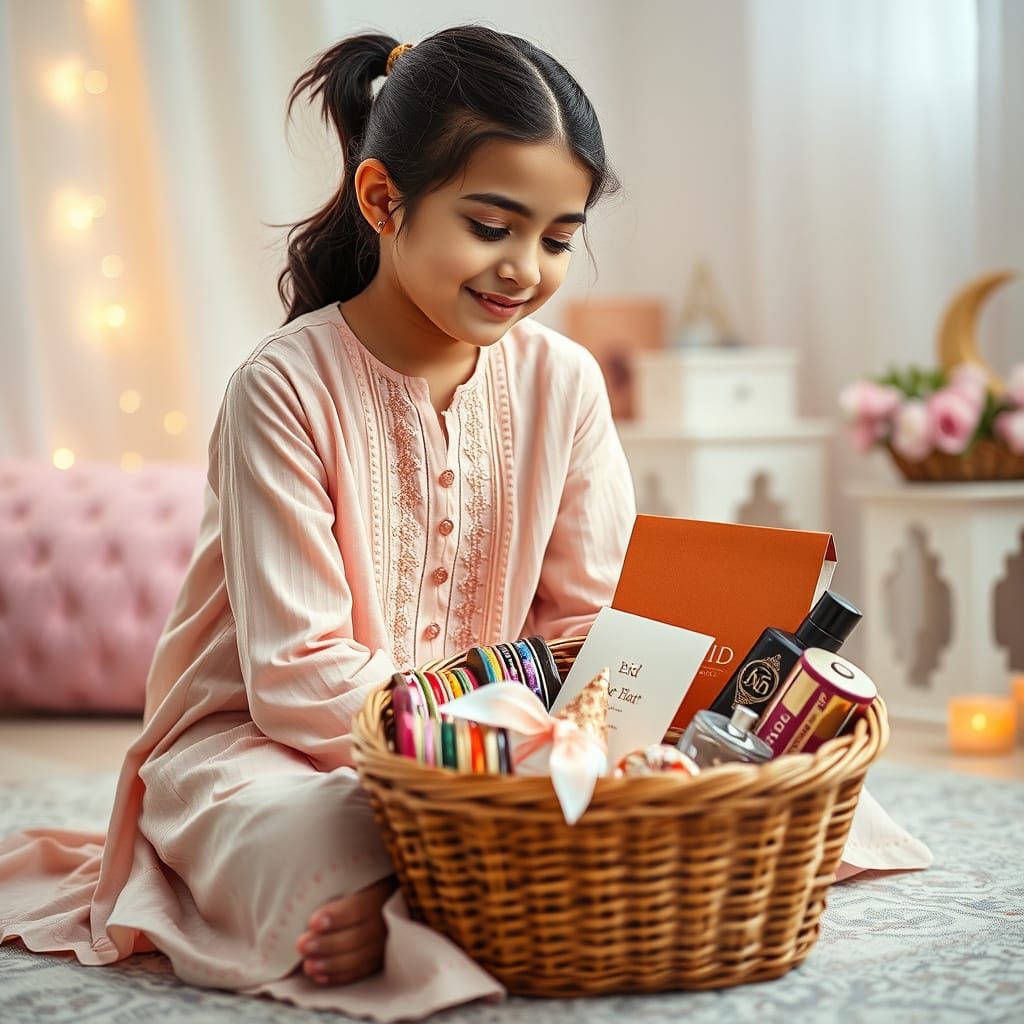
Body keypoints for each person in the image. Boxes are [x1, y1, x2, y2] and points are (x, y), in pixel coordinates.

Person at [0, 23, 636, 1013]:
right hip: (263, 746)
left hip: (493, 749)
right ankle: (440, 884)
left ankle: (436, 884)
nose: (525, 269)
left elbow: (586, 621)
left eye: (557, 239)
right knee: (324, 835)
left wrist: (566, 742)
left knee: (699, 793)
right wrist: (490, 769)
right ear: (385, 200)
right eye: (492, 225)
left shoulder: (567, 383)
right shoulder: (282, 387)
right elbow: (296, 681)